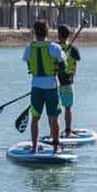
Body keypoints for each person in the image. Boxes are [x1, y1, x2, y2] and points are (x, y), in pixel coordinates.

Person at [22, 20, 66, 153]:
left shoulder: (29, 48)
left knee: (35, 118)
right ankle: (55, 147)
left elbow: (27, 61)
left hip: (36, 87)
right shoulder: (55, 48)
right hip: (51, 87)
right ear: (47, 32)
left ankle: (34, 148)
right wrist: (62, 60)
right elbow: (63, 67)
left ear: (35, 33)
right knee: (54, 117)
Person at [56, 24, 81, 137]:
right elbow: (75, 67)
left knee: (54, 109)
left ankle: (54, 132)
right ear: (68, 35)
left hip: (54, 81)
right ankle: (67, 131)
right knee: (68, 107)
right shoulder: (73, 49)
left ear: (58, 35)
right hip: (67, 81)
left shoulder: (54, 47)